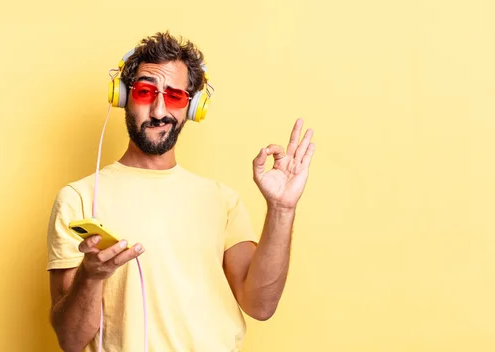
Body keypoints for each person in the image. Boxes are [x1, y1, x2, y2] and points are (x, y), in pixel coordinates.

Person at [46, 31, 315, 352]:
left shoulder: (222, 201)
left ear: (193, 107)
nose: (159, 110)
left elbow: (261, 305)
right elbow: (71, 340)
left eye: (174, 96)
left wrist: (282, 210)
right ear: (122, 96)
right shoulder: (78, 198)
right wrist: (90, 277)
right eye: (145, 91)